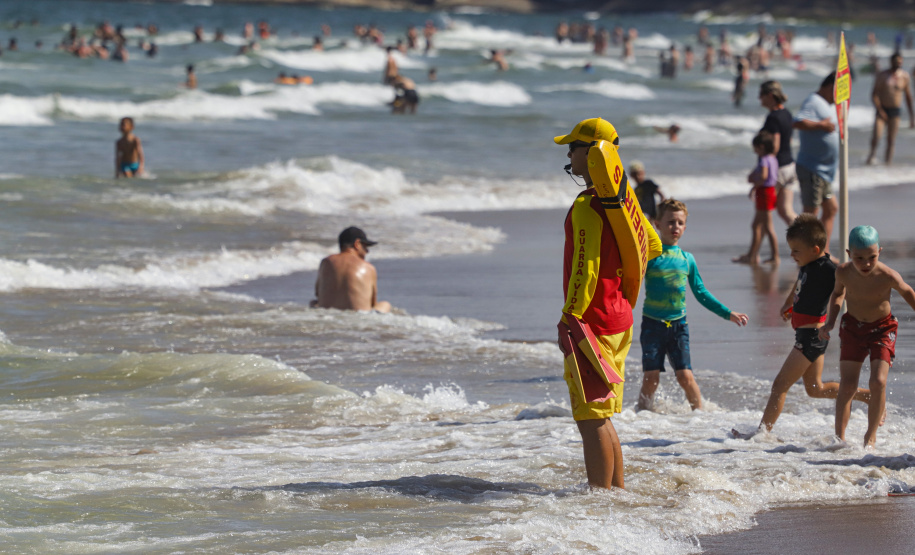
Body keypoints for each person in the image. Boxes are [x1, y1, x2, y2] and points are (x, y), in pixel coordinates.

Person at [554, 118, 662, 489]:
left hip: (592, 323)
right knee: (603, 415)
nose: (569, 154)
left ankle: (600, 503)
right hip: (620, 317)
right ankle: (616, 493)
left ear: (590, 153)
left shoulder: (587, 205)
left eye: (573, 147)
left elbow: (585, 268)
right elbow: (652, 245)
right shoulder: (622, 200)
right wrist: (619, 283)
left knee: (590, 418)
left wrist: (569, 316)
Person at [733, 215, 869, 439]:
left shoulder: (829, 269)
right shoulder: (807, 265)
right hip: (808, 336)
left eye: (796, 250)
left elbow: (848, 284)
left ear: (815, 249)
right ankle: (866, 396)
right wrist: (788, 304)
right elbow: (799, 284)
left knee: (780, 385)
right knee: (815, 389)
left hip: (812, 337)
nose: (792, 255)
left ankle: (760, 434)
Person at [638, 199, 748, 412]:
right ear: (657, 224)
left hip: (678, 326)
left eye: (680, 223)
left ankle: (701, 417)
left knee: (685, 376)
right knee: (651, 378)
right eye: (670, 222)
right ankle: (642, 416)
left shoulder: (687, 259)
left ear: (685, 227)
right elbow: (630, 283)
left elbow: (701, 292)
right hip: (652, 325)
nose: (675, 227)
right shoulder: (650, 256)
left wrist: (728, 313)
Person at [819, 226, 915, 448]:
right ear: (848, 253)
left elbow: (908, 292)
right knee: (847, 385)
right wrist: (830, 322)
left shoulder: (888, 275)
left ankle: (870, 436)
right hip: (852, 327)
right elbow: (837, 294)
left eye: (872, 257)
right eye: (859, 258)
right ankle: (839, 438)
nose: (866, 264)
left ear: (879, 251)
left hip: (882, 329)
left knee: (878, 381)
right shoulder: (843, 272)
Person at [794, 72, 839, 255]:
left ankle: (823, 252)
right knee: (810, 215)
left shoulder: (827, 105)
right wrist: (821, 125)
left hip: (824, 171)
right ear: (830, 87)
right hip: (812, 167)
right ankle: (804, 254)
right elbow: (798, 122)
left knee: (831, 208)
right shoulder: (813, 101)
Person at [311, 227, 392, 313]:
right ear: (357, 244)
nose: (367, 251)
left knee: (313, 303)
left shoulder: (325, 262)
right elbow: (372, 303)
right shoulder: (369, 268)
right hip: (360, 316)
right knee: (385, 304)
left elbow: (318, 294)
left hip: (328, 315)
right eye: (365, 247)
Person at [734, 131, 779, 265]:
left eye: (755, 148)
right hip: (770, 191)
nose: (755, 151)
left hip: (765, 192)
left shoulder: (764, 159)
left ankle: (775, 256)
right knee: (756, 225)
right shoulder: (773, 158)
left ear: (761, 147)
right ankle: (752, 255)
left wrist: (754, 184)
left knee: (768, 227)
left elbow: (764, 176)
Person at [758, 80, 798, 225]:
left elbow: (775, 146)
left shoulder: (773, 117)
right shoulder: (787, 113)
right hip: (790, 166)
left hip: (778, 169)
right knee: (786, 211)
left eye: (761, 94)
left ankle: (766, 240)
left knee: (763, 213)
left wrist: (764, 168)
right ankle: (807, 235)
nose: (759, 98)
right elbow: (790, 140)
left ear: (770, 95)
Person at [866, 53, 914, 165]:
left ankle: (888, 164)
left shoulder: (904, 76)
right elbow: (874, 94)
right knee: (877, 136)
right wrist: (880, 110)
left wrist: (912, 117)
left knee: (891, 140)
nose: (898, 64)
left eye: (900, 62)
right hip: (882, 110)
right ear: (891, 62)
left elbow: (908, 98)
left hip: (895, 111)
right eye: (896, 62)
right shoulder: (883, 75)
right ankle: (871, 157)